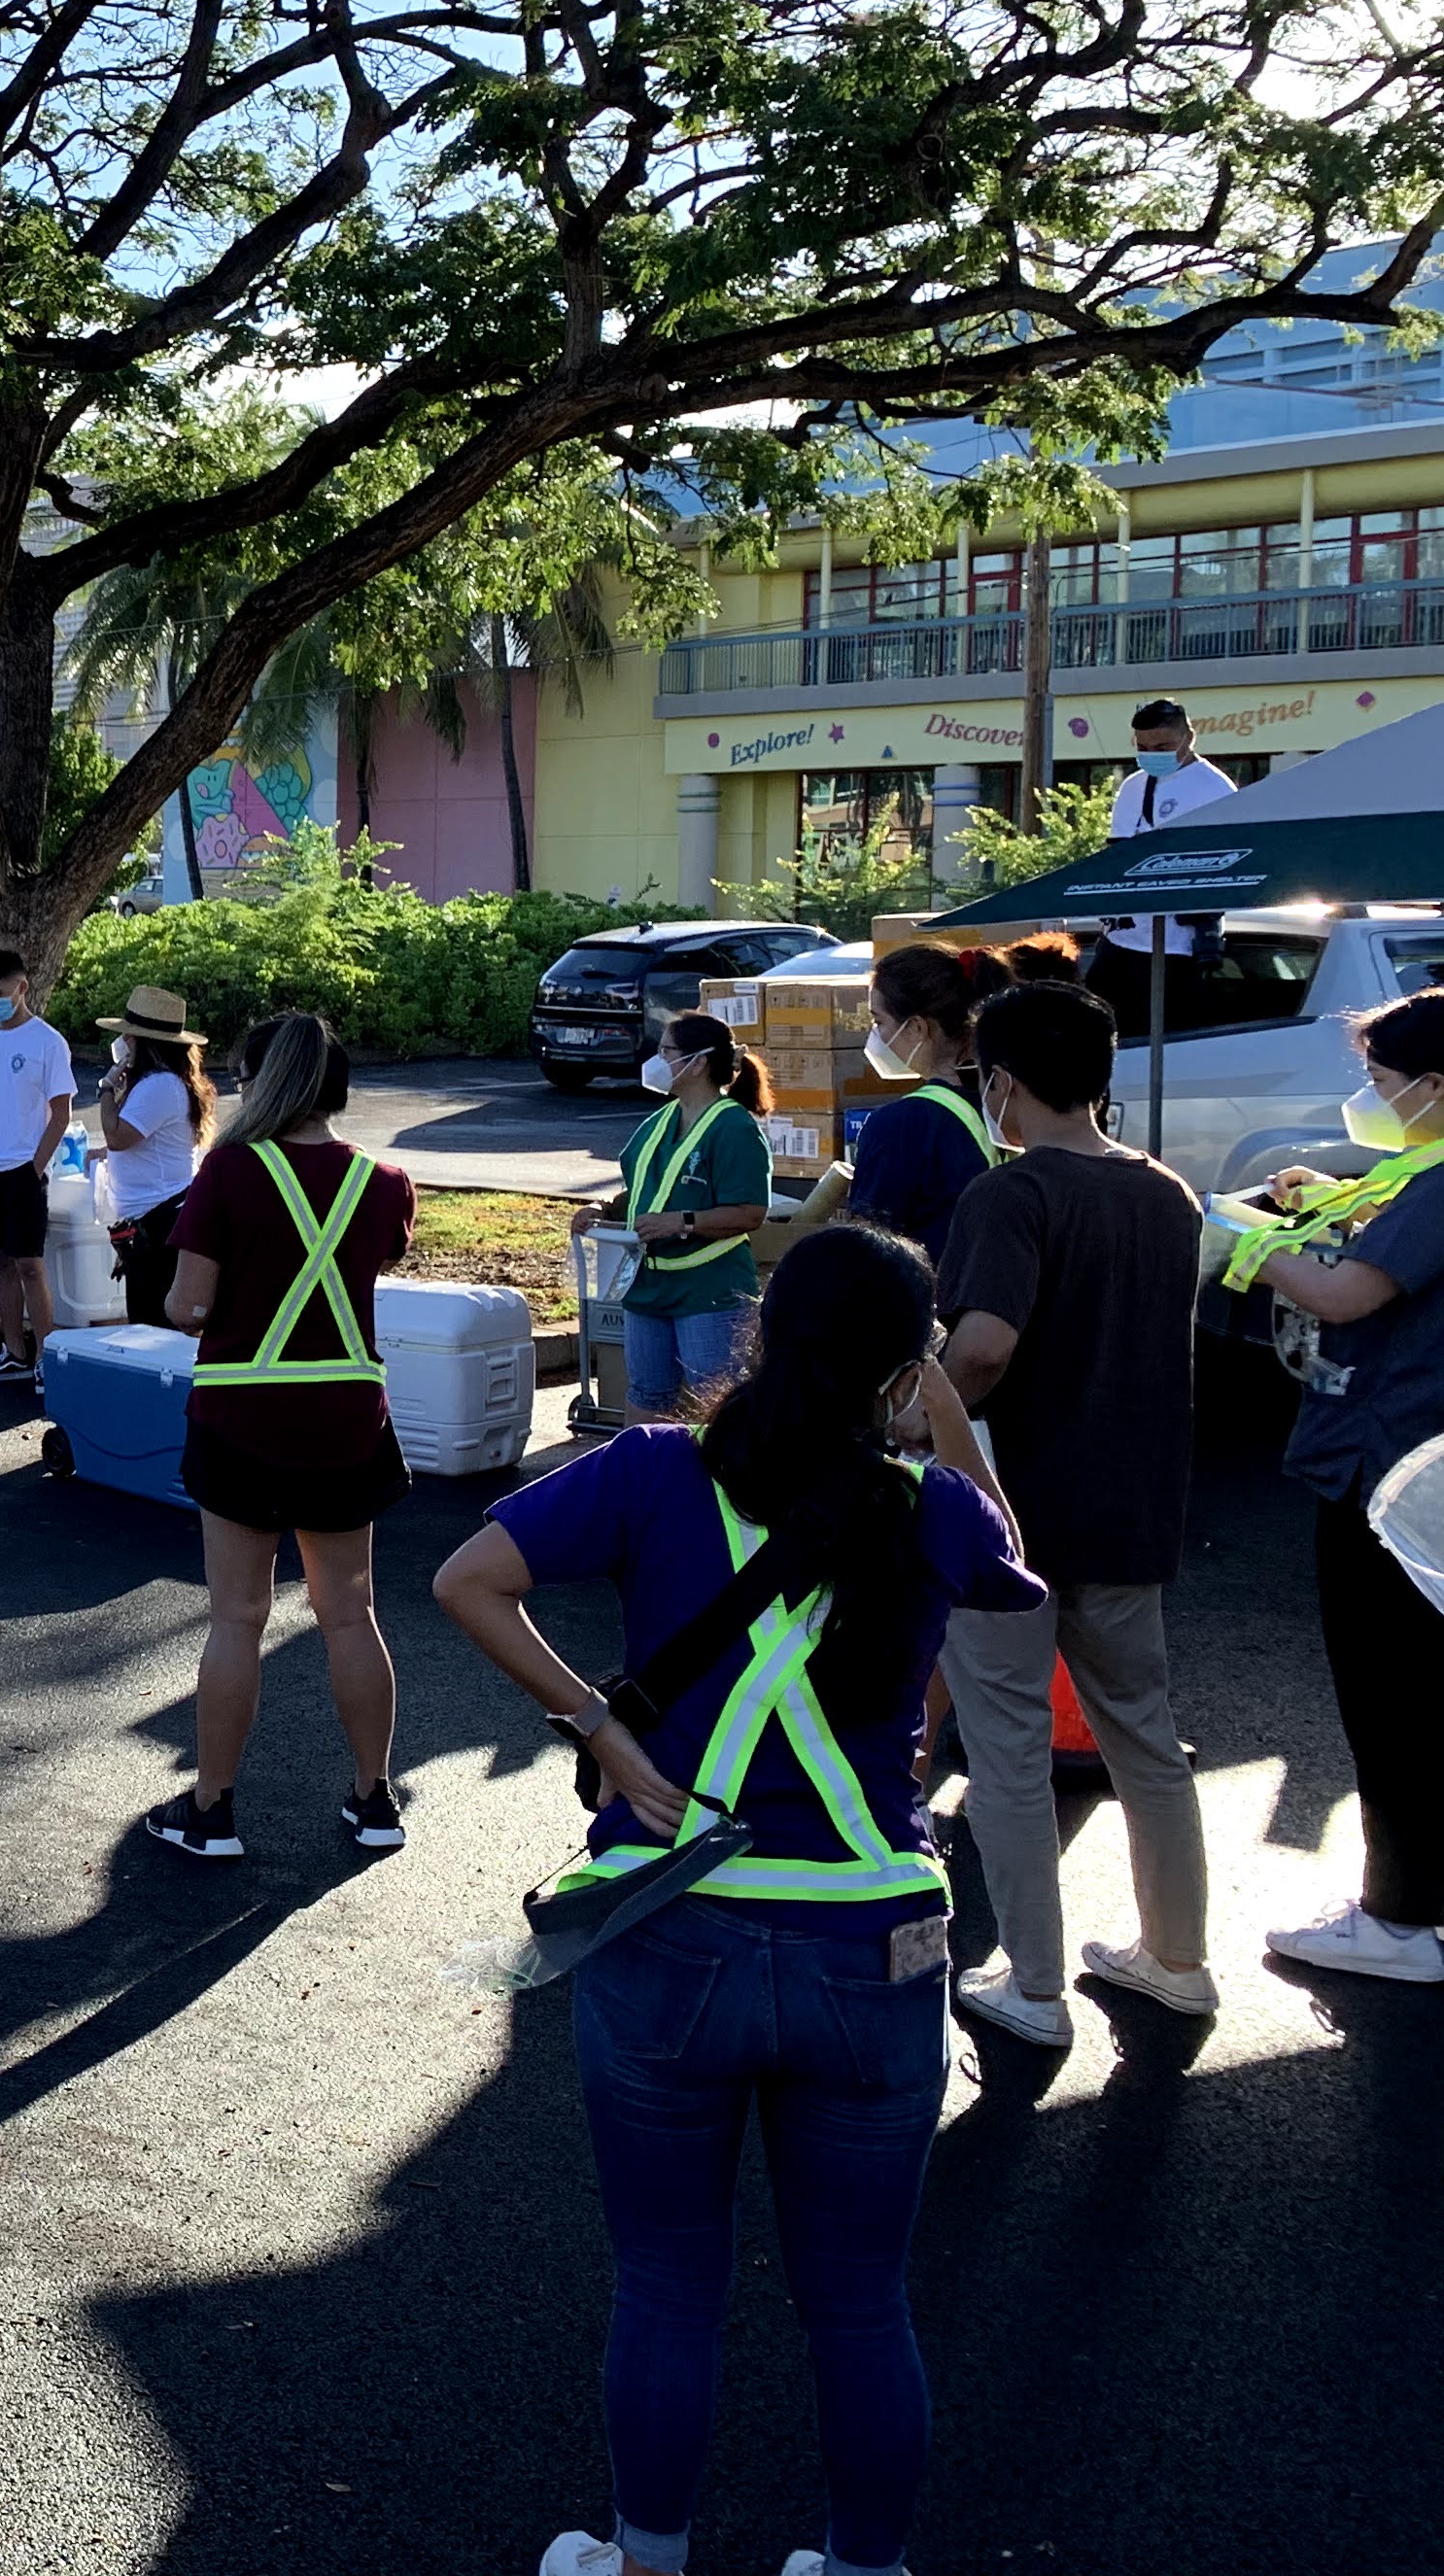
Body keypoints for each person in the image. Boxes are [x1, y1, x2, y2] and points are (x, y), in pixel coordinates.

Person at [431, 1223, 1039, 2576]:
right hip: (875, 1941)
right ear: (901, 1367)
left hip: (675, 1933)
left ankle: (646, 2557)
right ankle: (865, 2564)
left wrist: (598, 1726)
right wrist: (932, 1391)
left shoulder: (657, 1474)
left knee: (666, 2281)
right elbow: (1007, 1554)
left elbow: (466, 1580)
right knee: (863, 2303)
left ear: (766, 1332)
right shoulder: (928, 1505)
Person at [919, 980, 1218, 2038]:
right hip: (1134, 1505)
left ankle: (1033, 1989)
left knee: (1005, 1751)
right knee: (1144, 1737)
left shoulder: (1011, 1195)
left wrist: (923, 1408)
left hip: (1013, 1516)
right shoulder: (1168, 1193)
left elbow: (986, 1346)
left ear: (999, 1080)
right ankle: (1177, 1959)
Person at [150, 1010, 417, 1858]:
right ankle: (376, 1800)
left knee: (237, 1617)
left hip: (240, 1415)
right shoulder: (384, 1179)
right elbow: (374, 1263)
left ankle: (212, 1810)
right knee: (349, 1614)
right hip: (346, 1417)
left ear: (260, 1082)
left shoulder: (227, 1173)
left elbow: (189, 1306)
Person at [1238, 985, 1444, 1982]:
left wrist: (1242, 1247)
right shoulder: (1422, 1173)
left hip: (1389, 1470)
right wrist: (1325, 1200)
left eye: (1382, 1080)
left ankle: (1398, 1918)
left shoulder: (1440, 1185)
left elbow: (1349, 1291)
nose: (1371, 1095)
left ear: (1435, 1086)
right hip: (1414, 1464)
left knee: (1391, 1696)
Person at [606, 1010, 774, 1423]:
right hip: (647, 1284)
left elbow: (751, 1212)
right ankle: (645, 1481)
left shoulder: (734, 1127)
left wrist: (682, 1223)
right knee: (647, 1392)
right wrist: (600, 1210)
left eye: (665, 1051)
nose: (655, 1060)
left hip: (708, 1287)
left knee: (714, 1400)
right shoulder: (659, 1120)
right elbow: (646, 1187)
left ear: (697, 1062)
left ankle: (717, 1484)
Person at [842, 942, 1011, 1257]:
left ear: (917, 1027)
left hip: (928, 1298)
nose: (875, 1036)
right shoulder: (1011, 1103)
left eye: (879, 1022)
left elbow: (868, 1250)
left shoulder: (900, 1124)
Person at [0, 947, 74, 1381]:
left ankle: (45, 1357)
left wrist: (35, 1167)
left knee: (29, 1264)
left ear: (22, 988)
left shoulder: (47, 1042)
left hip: (23, 1169)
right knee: (0, 1261)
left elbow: (62, 1112)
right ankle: (14, 1350)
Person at [1084, 700, 1238, 1033]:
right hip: (1121, 940)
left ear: (1189, 738)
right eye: (1143, 747)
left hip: (1176, 947)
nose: (1152, 754)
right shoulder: (1133, 786)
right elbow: (1118, 855)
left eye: (1163, 746)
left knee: (1166, 1041)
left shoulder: (1215, 789)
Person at [93, 990, 211, 1331]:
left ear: (147, 1043)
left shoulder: (157, 1085)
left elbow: (117, 1137)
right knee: (151, 1319)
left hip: (159, 1222)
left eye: (130, 1035)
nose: (123, 1041)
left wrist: (105, 1088)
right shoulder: (164, 1083)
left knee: (152, 1324)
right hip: (159, 1215)